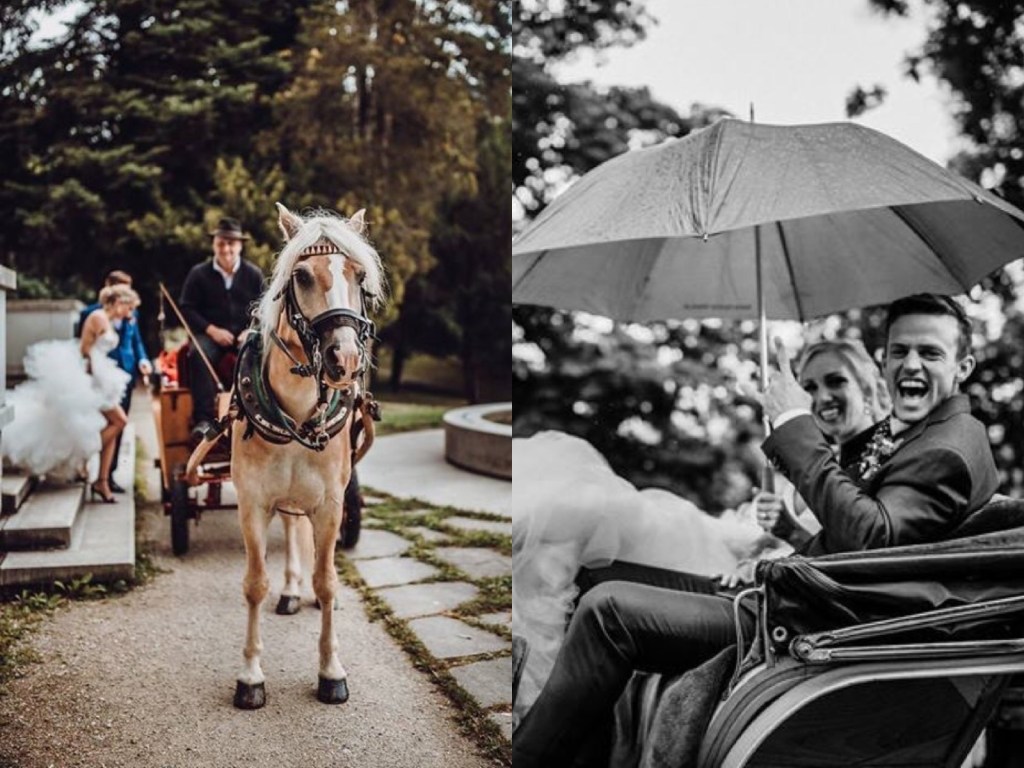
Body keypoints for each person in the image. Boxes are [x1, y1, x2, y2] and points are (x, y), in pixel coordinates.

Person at [512, 293, 999, 767]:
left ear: (963, 367)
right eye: (899, 351)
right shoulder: (919, 434)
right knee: (597, 575)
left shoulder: (948, 448)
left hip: (807, 624)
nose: (910, 364)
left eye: (930, 352)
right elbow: (853, 543)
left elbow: (870, 541)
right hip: (788, 596)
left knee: (607, 612)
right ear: (884, 359)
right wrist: (780, 544)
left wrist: (793, 419)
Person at [512, 337, 890, 730]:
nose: (821, 397)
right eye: (808, 387)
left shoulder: (868, 470)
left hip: (760, 597)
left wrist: (781, 541)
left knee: (599, 566)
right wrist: (765, 541)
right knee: (591, 570)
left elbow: (849, 552)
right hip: (739, 567)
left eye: (836, 381)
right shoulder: (811, 464)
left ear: (866, 386)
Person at [178, 216, 264, 439]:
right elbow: (187, 308)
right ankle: (204, 420)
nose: (226, 249)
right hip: (210, 335)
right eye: (221, 243)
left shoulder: (254, 274)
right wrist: (211, 330)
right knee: (197, 354)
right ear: (214, 245)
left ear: (240, 245)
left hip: (245, 334)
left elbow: (265, 308)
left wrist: (251, 329)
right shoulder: (198, 274)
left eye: (231, 243)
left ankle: (256, 414)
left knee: (258, 353)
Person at [77, 270, 152, 493]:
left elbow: (136, 341)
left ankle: (106, 478)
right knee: (114, 422)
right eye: (123, 292)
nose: (130, 307)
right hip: (99, 380)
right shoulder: (94, 314)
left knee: (117, 425)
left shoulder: (128, 315)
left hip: (121, 377)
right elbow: (85, 348)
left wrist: (143, 360)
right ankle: (83, 457)